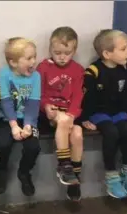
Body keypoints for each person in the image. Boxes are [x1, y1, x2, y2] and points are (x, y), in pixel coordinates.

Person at [81, 29, 127, 199]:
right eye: (123, 49)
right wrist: (84, 118)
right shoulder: (93, 71)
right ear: (107, 53)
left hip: (118, 113)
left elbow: (126, 98)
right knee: (111, 132)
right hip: (99, 113)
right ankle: (111, 175)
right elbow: (87, 97)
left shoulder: (123, 70)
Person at [37, 26, 85, 201]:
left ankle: (75, 180)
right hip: (50, 113)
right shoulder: (43, 67)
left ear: (74, 50)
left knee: (78, 134)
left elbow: (78, 95)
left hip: (68, 114)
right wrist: (46, 106)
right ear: (50, 49)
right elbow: (38, 93)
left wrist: (72, 114)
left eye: (67, 53)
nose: (62, 57)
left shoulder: (78, 70)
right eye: (57, 52)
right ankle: (63, 165)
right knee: (63, 120)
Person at [0, 37, 41, 197]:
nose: (34, 61)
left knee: (33, 146)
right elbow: (6, 101)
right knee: (3, 144)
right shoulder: (3, 74)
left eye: (34, 56)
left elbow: (34, 103)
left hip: (28, 118)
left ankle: (24, 172)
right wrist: (14, 125)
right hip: (7, 119)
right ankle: (1, 170)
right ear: (13, 62)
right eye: (29, 58)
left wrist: (28, 125)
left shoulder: (36, 76)